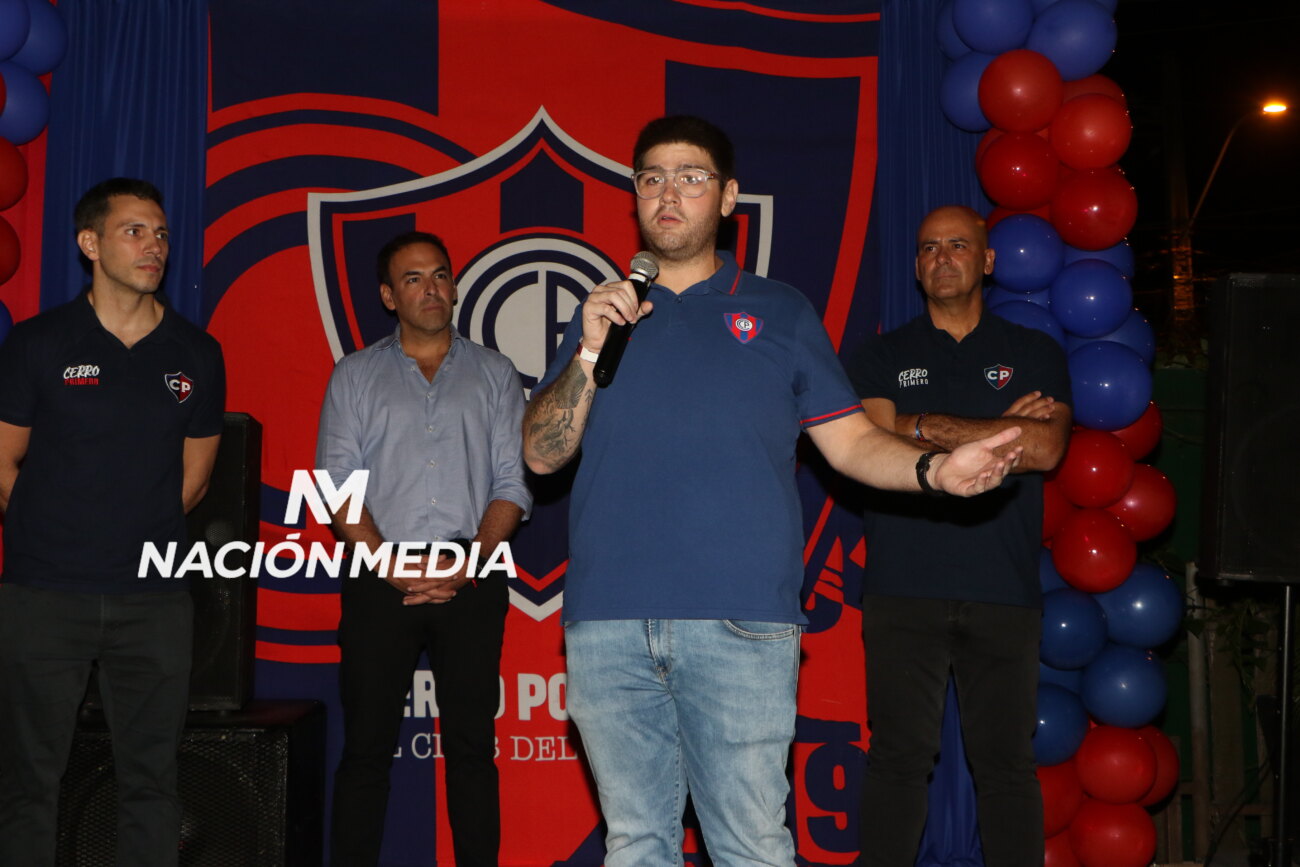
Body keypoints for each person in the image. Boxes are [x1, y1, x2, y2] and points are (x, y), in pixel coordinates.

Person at [522, 117, 1025, 867]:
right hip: (608, 623)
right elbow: (541, 453)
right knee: (634, 842)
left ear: (728, 198)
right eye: (652, 178)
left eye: (691, 177)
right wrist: (590, 350)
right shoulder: (602, 316)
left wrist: (934, 471)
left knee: (751, 846)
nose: (668, 194)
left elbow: (851, 443)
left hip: (741, 621)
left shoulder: (780, 311)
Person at [0, 178, 225, 866]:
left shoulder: (196, 352)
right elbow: (3, 461)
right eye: (134, 231)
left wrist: (130, 537)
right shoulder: (38, 342)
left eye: (160, 233)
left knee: (152, 784)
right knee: (27, 783)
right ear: (90, 243)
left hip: (154, 602)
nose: (153, 245)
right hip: (44, 595)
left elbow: (195, 480)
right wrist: (56, 533)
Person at [848, 205, 1073, 866]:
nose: (941, 257)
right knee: (897, 760)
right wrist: (1001, 428)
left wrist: (919, 424)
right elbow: (870, 440)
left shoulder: (1033, 352)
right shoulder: (881, 354)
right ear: (916, 268)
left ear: (988, 260)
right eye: (927, 248)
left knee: (1006, 766)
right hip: (902, 586)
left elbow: (1046, 448)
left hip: (1002, 587)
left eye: (956, 245)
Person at [317, 230, 531, 867]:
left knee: (472, 752)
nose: (431, 288)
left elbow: (513, 481)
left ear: (455, 286)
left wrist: (471, 561)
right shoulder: (355, 375)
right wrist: (388, 564)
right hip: (378, 580)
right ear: (389, 296)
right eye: (413, 278)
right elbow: (336, 480)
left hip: (473, 577)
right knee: (364, 753)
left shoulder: (495, 373)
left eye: (439, 274)